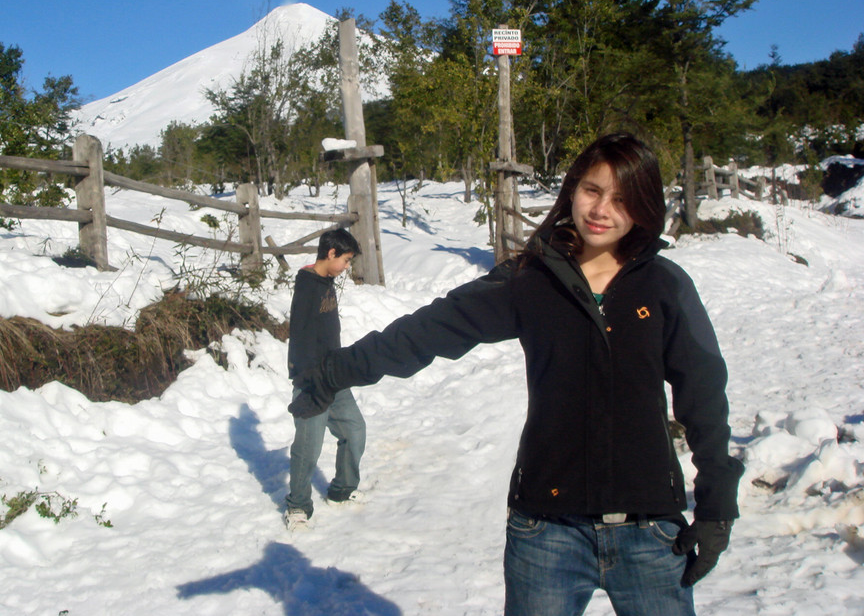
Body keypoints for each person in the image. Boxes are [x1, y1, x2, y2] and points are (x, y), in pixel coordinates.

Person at [290, 133, 743, 614]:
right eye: (592, 190)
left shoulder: (664, 285)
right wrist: (333, 372)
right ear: (572, 189)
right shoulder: (531, 281)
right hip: (546, 533)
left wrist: (716, 504)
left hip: (650, 530)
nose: (601, 209)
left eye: (622, 198)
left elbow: (704, 395)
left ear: (644, 207)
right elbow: (430, 330)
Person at [284, 227, 365, 530]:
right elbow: (300, 339)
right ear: (331, 254)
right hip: (312, 381)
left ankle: (342, 490)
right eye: (345, 260)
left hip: (335, 375)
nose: (347, 267)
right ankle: (297, 506)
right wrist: (307, 382)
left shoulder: (326, 280)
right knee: (308, 448)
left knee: (355, 430)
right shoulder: (307, 288)